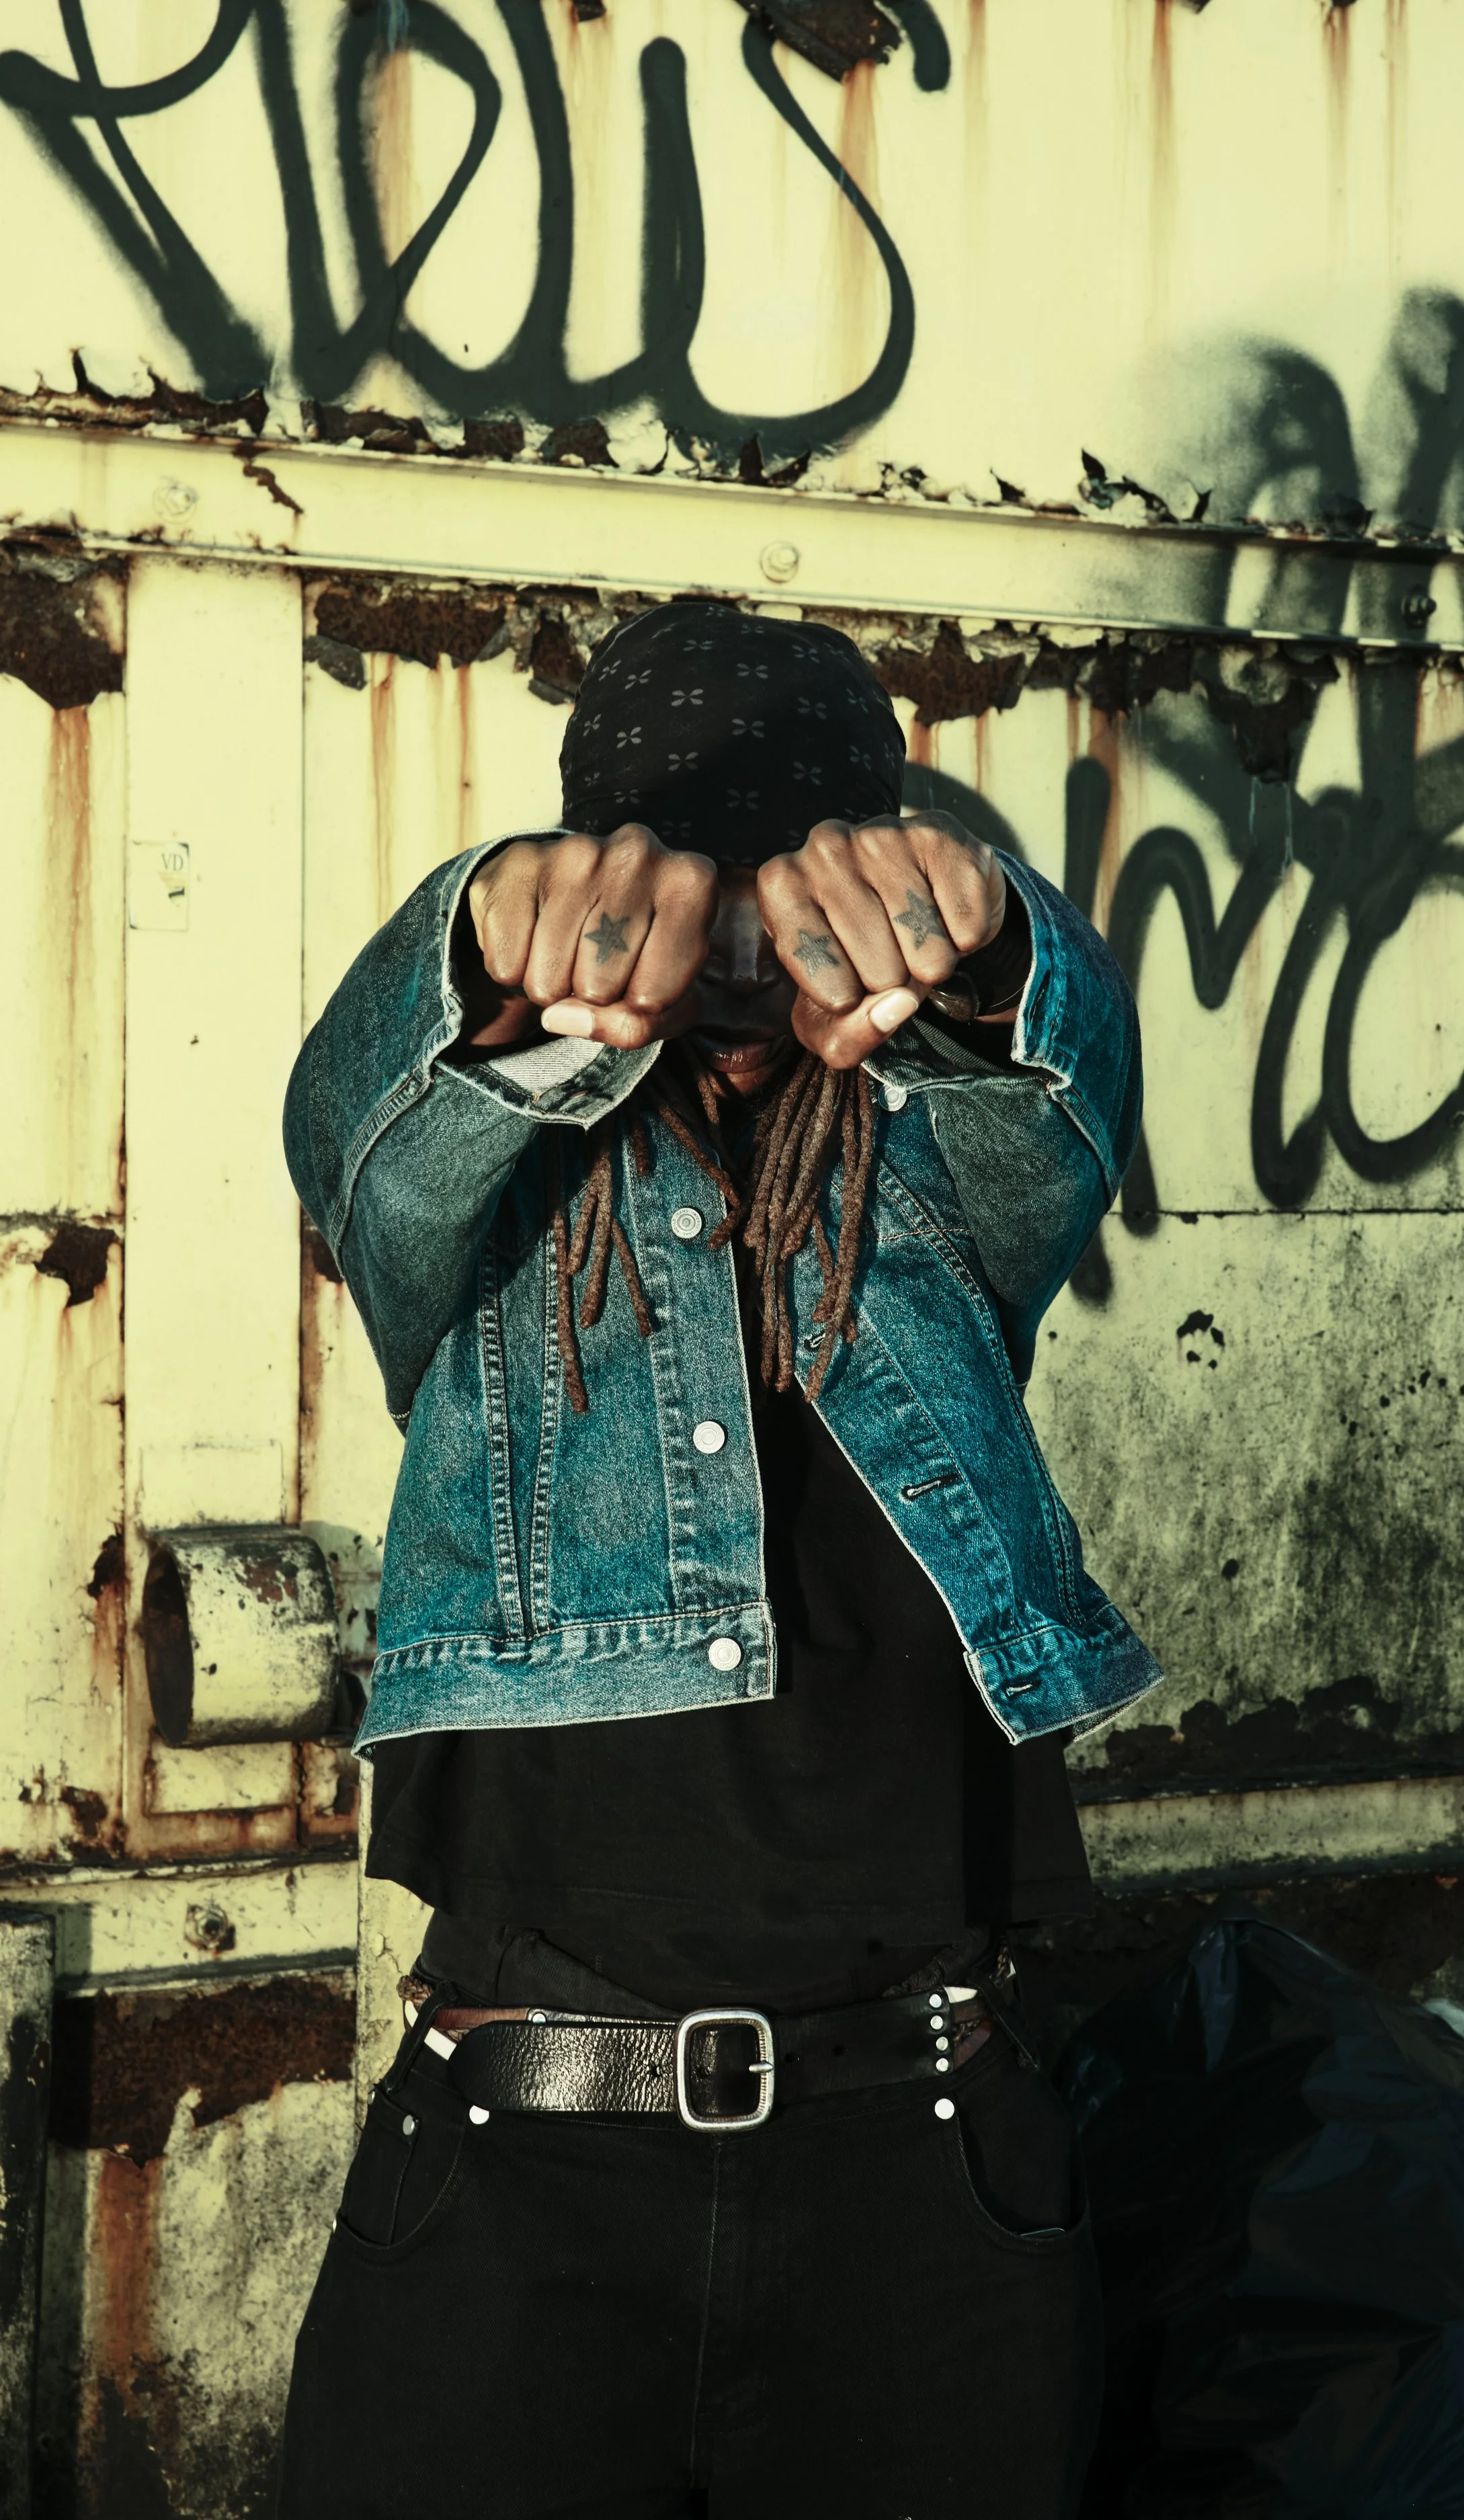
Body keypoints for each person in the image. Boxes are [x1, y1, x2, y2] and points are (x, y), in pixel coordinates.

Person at [278, 601, 1158, 2519]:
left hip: (925, 2170)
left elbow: (1064, 1080)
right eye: (695, 893)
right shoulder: (489, 1204)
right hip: (523, 2182)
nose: (751, 965)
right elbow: (352, 1129)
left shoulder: (941, 1186)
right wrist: (483, 923)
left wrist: (988, 930)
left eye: (807, 897)